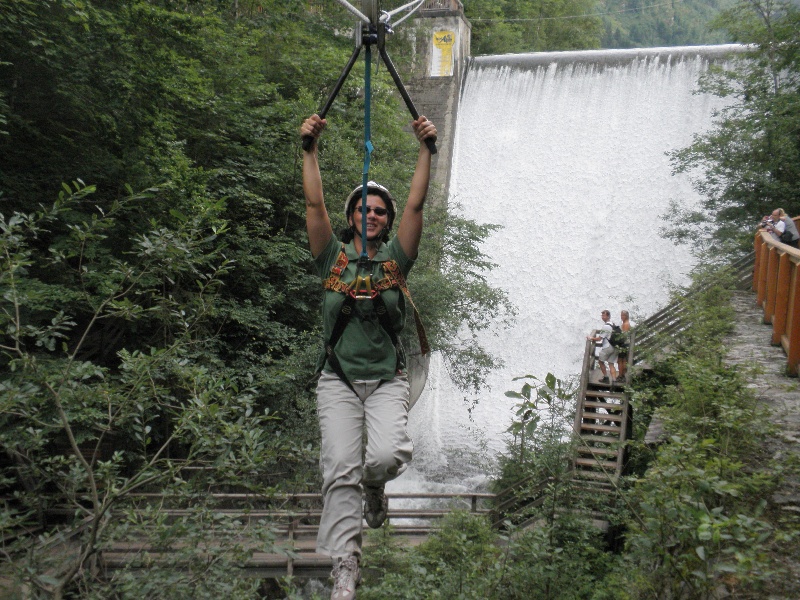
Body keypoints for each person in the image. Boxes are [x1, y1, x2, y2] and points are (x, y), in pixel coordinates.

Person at [300, 112, 437, 600]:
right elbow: (313, 203)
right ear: (351, 216)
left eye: (379, 210)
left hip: (384, 379)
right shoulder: (331, 259)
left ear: (387, 220)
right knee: (339, 465)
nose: (372, 215)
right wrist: (309, 149)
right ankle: (345, 564)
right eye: (364, 208)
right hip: (337, 379)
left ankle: (375, 487)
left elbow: (416, 204)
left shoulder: (396, 261)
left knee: (382, 457)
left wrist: (426, 149)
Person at [586, 310, 618, 384]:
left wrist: (591, 338)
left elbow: (599, 339)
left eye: (604, 315)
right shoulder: (612, 324)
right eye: (602, 316)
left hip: (607, 347)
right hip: (614, 347)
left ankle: (606, 378)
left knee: (600, 361)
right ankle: (614, 381)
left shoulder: (606, 326)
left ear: (608, 316)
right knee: (611, 364)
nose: (602, 317)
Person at [616, 310, 634, 382]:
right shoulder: (625, 323)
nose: (621, 317)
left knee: (621, 360)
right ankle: (622, 375)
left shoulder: (626, 324)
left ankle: (621, 376)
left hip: (623, 344)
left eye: (623, 315)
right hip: (625, 344)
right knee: (622, 360)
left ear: (626, 316)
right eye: (621, 315)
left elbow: (624, 336)